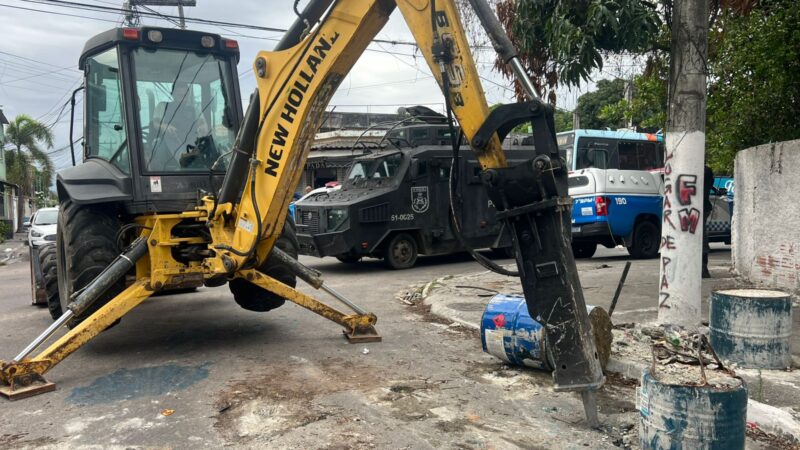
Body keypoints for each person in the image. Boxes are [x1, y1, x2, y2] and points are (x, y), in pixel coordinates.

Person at [702, 164, 714, 278]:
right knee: (702, 236)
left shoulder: (704, 171)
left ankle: (703, 267)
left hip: (701, 207)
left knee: (702, 237)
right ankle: (703, 267)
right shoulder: (707, 171)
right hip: (703, 207)